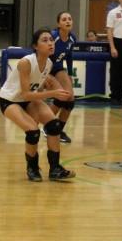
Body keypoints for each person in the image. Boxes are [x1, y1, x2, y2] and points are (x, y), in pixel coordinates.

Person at [0, 28, 76, 181]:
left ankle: (55, 169)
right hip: (10, 100)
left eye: (51, 40)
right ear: (35, 46)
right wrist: (53, 93)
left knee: (54, 126)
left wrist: (47, 86)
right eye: (45, 40)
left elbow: (34, 88)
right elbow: (26, 93)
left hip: (27, 100)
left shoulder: (48, 63)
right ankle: (32, 168)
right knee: (33, 132)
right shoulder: (26, 62)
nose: (50, 43)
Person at [49, 12, 76, 144]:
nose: (67, 21)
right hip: (46, 69)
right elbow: (38, 53)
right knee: (61, 96)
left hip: (58, 68)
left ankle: (58, 130)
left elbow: (69, 56)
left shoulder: (72, 38)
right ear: (58, 24)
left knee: (70, 99)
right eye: (64, 19)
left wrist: (70, 74)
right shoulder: (53, 37)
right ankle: (47, 125)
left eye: (70, 19)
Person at [106, 0, 122, 105]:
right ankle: (114, 95)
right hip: (116, 42)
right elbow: (109, 30)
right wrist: (112, 47)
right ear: (120, 0)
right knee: (115, 70)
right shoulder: (113, 13)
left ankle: (121, 95)